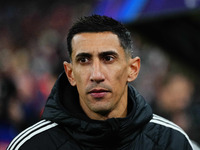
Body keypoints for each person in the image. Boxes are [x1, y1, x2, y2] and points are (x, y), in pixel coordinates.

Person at [7, 15, 195, 150]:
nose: (96, 74)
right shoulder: (31, 145)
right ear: (70, 74)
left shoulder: (172, 141)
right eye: (84, 60)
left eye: (108, 58)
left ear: (133, 69)